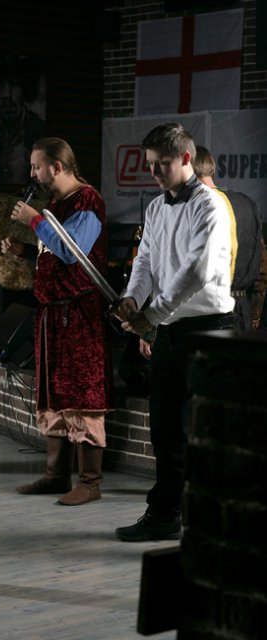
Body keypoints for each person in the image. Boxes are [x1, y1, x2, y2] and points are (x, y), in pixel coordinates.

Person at [112, 123, 235, 541]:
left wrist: (152, 315)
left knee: (208, 430)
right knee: (165, 431)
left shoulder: (210, 205)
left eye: (161, 163)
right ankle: (165, 514)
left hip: (209, 331)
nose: (153, 172)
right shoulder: (155, 207)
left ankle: (215, 520)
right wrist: (133, 299)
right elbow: (145, 261)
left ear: (186, 158)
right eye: (149, 164)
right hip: (169, 331)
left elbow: (197, 272)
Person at [1, 137, 112, 506]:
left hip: (78, 315)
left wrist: (33, 220)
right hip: (52, 315)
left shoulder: (87, 201)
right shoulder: (55, 205)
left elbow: (71, 250)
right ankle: (56, 475)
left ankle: (90, 482)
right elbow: (53, 253)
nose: (32, 174)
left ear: (57, 167)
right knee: (54, 395)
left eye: (36, 166)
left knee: (82, 394)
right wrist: (25, 251)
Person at [193, 145, 267, 331]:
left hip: (203, 314)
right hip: (242, 311)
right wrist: (255, 315)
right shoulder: (247, 203)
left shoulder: (194, 207)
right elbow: (262, 265)